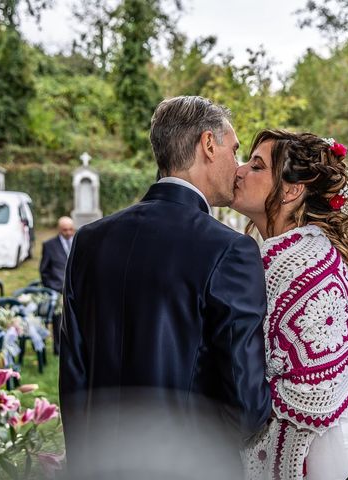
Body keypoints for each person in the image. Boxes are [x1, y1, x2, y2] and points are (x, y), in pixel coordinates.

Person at [59, 96, 271, 479]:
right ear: (208, 145)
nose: (238, 166)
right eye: (234, 150)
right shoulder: (230, 250)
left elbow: (73, 376)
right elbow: (246, 409)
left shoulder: (90, 241)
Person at [231, 130, 348, 480]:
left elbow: (299, 385)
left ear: (291, 189)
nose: (239, 171)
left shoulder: (291, 263)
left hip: (314, 458)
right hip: (339, 447)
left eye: (256, 165)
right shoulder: (313, 251)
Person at [39, 216, 75, 355]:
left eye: (71, 229)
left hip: (76, 288)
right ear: (59, 230)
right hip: (57, 290)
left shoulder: (78, 241)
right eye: (65, 230)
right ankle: (58, 348)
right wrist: (53, 287)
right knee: (59, 318)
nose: (68, 232)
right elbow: (44, 271)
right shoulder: (49, 245)